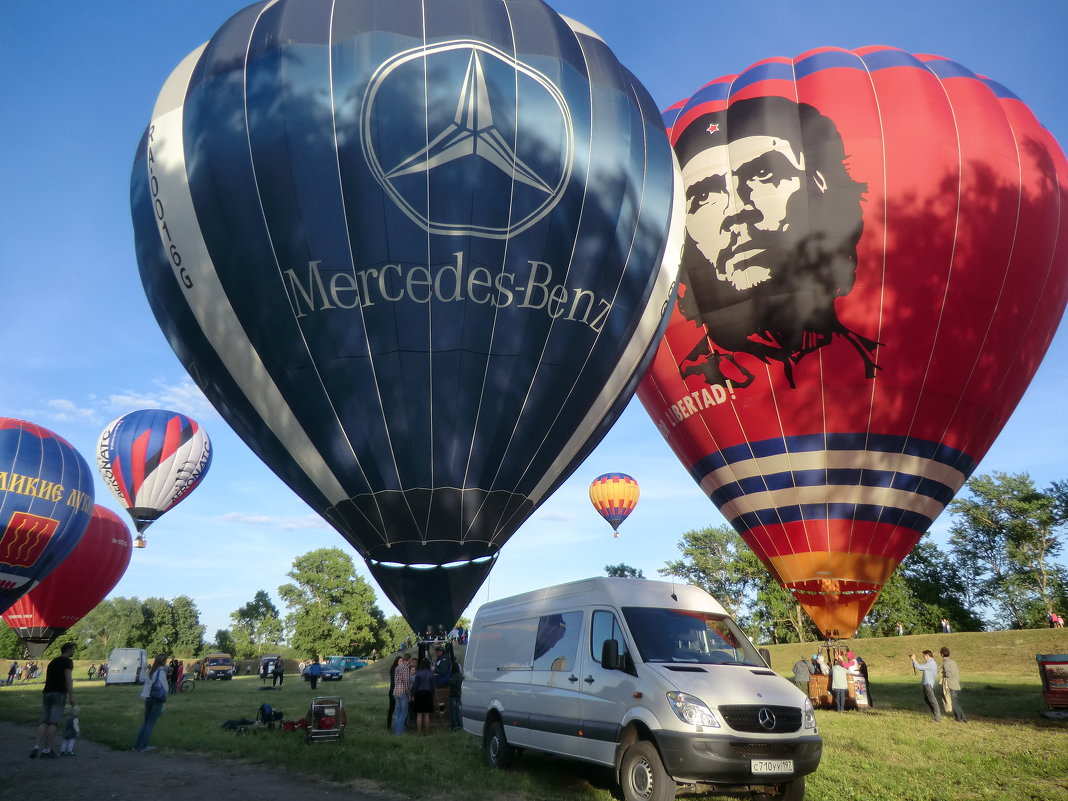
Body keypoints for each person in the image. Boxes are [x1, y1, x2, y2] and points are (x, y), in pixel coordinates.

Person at [673, 94, 875, 391]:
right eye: (703, 197)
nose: (736, 211)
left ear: (819, 187)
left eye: (764, 174)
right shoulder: (694, 377)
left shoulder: (872, 357)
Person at [29, 642, 76, 758]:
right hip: (59, 693)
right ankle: (47, 750)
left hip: (47, 692)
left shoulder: (53, 661)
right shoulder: (67, 662)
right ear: (68, 650)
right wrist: (71, 696)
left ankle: (36, 746)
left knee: (45, 721)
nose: (74, 652)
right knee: (53, 722)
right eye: (73, 649)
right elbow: (68, 680)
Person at [133, 654, 169, 752]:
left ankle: (137, 745)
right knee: (150, 724)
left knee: (145, 722)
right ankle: (143, 746)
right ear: (163, 661)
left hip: (148, 698)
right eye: (166, 660)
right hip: (156, 699)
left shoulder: (150, 671)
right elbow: (165, 687)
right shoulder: (161, 672)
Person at [909, 650, 942, 722]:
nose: (923, 657)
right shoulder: (930, 663)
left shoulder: (931, 663)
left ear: (927, 655)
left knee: (932, 701)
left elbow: (919, 667)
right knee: (927, 700)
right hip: (926, 684)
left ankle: (938, 718)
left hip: (928, 684)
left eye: (923, 655)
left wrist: (914, 659)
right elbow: (921, 668)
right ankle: (936, 716)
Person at [940, 647, 967, 723]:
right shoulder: (953, 662)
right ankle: (962, 718)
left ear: (942, 654)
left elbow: (948, 674)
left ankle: (961, 718)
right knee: (955, 701)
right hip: (955, 683)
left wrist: (943, 673)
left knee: (953, 702)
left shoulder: (945, 663)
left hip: (950, 684)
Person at [392, 653, 413, 735]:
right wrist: (409, 694)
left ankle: (395, 730)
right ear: (409, 659)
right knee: (403, 713)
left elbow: (395, 680)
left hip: (396, 691)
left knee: (398, 712)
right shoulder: (406, 667)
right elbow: (406, 682)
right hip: (403, 692)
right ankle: (400, 732)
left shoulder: (398, 666)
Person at [385, 655, 402, 730]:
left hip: (395, 690)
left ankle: (391, 725)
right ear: (397, 662)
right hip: (393, 691)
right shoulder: (395, 670)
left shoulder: (396, 669)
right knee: (393, 708)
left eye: (402, 661)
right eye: (400, 661)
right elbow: (394, 682)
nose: (401, 663)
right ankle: (390, 725)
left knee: (393, 708)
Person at [449, 661, 464, 731]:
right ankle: (460, 725)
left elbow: (452, 684)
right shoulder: (460, 675)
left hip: (453, 695)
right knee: (458, 711)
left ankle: (453, 726)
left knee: (453, 711)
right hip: (459, 695)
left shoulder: (453, 676)